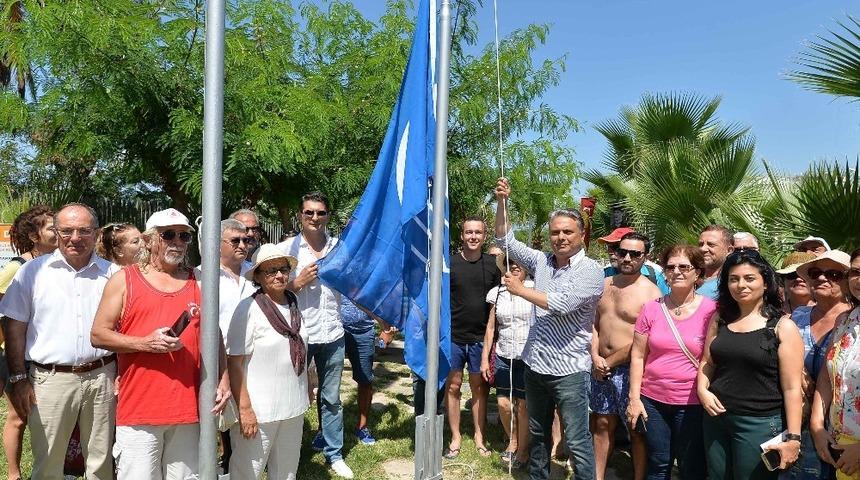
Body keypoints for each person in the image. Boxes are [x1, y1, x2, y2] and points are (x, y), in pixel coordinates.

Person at [90, 208, 231, 479]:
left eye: (184, 235)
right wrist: (145, 343)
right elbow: (98, 334)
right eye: (168, 235)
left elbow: (215, 333)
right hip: (140, 410)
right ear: (148, 239)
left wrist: (223, 378)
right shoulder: (124, 280)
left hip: (190, 409)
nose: (177, 241)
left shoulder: (200, 280)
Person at [494, 177, 605, 480]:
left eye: (568, 231)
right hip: (536, 367)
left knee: (578, 441)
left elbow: (561, 303)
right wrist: (502, 202)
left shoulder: (591, 271)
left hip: (570, 371)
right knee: (537, 432)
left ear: (582, 235)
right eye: (555, 232)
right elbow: (505, 241)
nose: (560, 237)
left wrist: (519, 290)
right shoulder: (542, 261)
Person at [0, 203, 117, 479]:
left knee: (101, 462)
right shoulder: (32, 272)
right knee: (48, 463)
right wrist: (18, 378)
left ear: (97, 234)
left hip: (102, 377)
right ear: (57, 232)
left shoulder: (113, 275)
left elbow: (122, 326)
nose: (75, 237)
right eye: (66, 230)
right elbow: (14, 327)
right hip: (50, 381)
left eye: (83, 231)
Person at [697, 250, 803, 479]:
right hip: (716, 419)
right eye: (733, 279)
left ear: (766, 283)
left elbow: (793, 388)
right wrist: (702, 390)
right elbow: (707, 362)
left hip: (759, 424)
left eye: (749, 278)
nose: (740, 285)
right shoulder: (720, 318)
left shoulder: (782, 327)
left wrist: (794, 438)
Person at [277, 192, 353, 479]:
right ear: (300, 215)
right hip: (299, 334)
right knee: (292, 395)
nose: (314, 218)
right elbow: (272, 294)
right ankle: (289, 453)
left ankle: (334, 454)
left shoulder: (340, 248)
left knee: (331, 398)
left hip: (333, 333)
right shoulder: (287, 250)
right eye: (309, 212)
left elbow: (352, 286)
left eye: (320, 213)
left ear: (328, 216)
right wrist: (296, 283)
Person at [627, 244, 715, 479]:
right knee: (658, 463)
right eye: (671, 267)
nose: (677, 271)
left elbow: (714, 359)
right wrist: (634, 398)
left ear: (697, 272)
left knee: (691, 467)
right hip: (653, 401)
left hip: (693, 403)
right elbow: (637, 356)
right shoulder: (651, 309)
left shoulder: (712, 311)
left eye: (684, 266)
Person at [226, 244, 307, 480]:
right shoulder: (248, 308)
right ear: (259, 277)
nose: (280, 275)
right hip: (260, 410)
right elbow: (235, 362)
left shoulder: (293, 303)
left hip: (293, 405)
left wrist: (309, 383)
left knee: (286, 472)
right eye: (271, 271)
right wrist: (245, 409)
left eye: (283, 269)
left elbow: (302, 346)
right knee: (247, 472)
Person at [590, 231, 661, 480]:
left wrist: (608, 361)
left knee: (636, 429)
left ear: (645, 257)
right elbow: (595, 324)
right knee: (601, 423)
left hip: (630, 370)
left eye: (635, 253)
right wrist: (595, 356)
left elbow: (645, 341)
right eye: (623, 252)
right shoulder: (605, 285)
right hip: (600, 367)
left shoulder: (651, 294)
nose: (627, 257)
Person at [0, 205, 56, 480]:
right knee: (18, 416)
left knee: (36, 415)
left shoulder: (57, 264)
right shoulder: (17, 267)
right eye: (51, 227)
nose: (58, 232)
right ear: (35, 236)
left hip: (40, 354)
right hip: (13, 353)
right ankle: (13, 474)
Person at [788, 250, 853, 479]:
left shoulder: (850, 321)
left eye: (833, 274)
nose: (822, 279)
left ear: (848, 280)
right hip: (796, 421)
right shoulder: (797, 316)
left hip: (841, 427)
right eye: (816, 273)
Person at [197, 218, 255, 472]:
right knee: (216, 420)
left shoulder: (256, 274)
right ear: (216, 244)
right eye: (235, 241)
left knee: (247, 417)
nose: (243, 245)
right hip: (218, 362)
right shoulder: (201, 277)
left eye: (247, 240)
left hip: (253, 360)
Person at [445, 216, 500, 459]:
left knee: (479, 388)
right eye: (469, 232)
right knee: (453, 386)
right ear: (462, 235)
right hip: (454, 337)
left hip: (481, 338)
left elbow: (497, 304)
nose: (473, 237)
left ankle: (479, 435)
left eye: (478, 232)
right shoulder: (451, 264)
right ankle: (455, 436)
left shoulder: (492, 265)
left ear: (484, 235)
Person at [810, 248, 860, 480]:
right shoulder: (845, 320)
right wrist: (817, 425)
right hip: (840, 443)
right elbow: (828, 376)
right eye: (855, 272)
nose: (858, 279)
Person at [480, 253, 533, 470]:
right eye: (510, 263)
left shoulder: (534, 288)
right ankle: (512, 440)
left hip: (528, 356)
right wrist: (485, 358)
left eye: (519, 263)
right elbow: (491, 327)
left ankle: (522, 450)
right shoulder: (497, 291)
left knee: (522, 405)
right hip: (503, 354)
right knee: (503, 403)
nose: (514, 266)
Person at [340, 298, 395, 446]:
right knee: (329, 383)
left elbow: (381, 293)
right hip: (335, 330)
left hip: (364, 332)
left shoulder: (368, 273)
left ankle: (362, 427)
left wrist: (386, 328)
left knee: (365, 380)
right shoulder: (331, 273)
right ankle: (323, 430)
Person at [599, 227, 669, 295]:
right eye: (609, 247)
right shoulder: (603, 274)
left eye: (616, 248)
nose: (612, 253)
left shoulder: (655, 275)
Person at [696, 225, 733, 300]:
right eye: (700, 244)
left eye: (711, 245)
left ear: (729, 250)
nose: (703, 249)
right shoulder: (685, 277)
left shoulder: (732, 284)